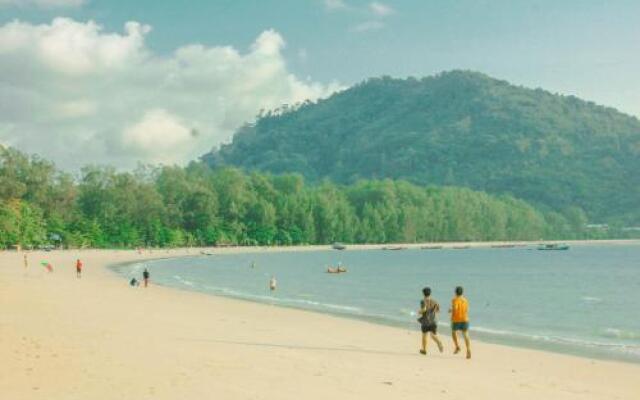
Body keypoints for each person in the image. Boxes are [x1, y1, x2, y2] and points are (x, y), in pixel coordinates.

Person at [417, 287, 444, 355]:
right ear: (430, 293)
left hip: (425, 321)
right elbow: (438, 310)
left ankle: (424, 350)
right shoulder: (434, 301)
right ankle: (439, 342)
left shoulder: (423, 301)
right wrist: (433, 310)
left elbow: (424, 309)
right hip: (433, 321)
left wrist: (419, 312)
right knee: (433, 335)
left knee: (424, 335)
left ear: (423, 294)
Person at [450, 286, 471, 359]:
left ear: (455, 292)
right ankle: (468, 349)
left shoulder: (455, 300)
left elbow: (455, 309)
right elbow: (466, 309)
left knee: (453, 332)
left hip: (456, 320)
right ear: (462, 292)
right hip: (465, 319)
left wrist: (451, 311)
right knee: (465, 334)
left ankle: (457, 346)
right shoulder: (465, 300)